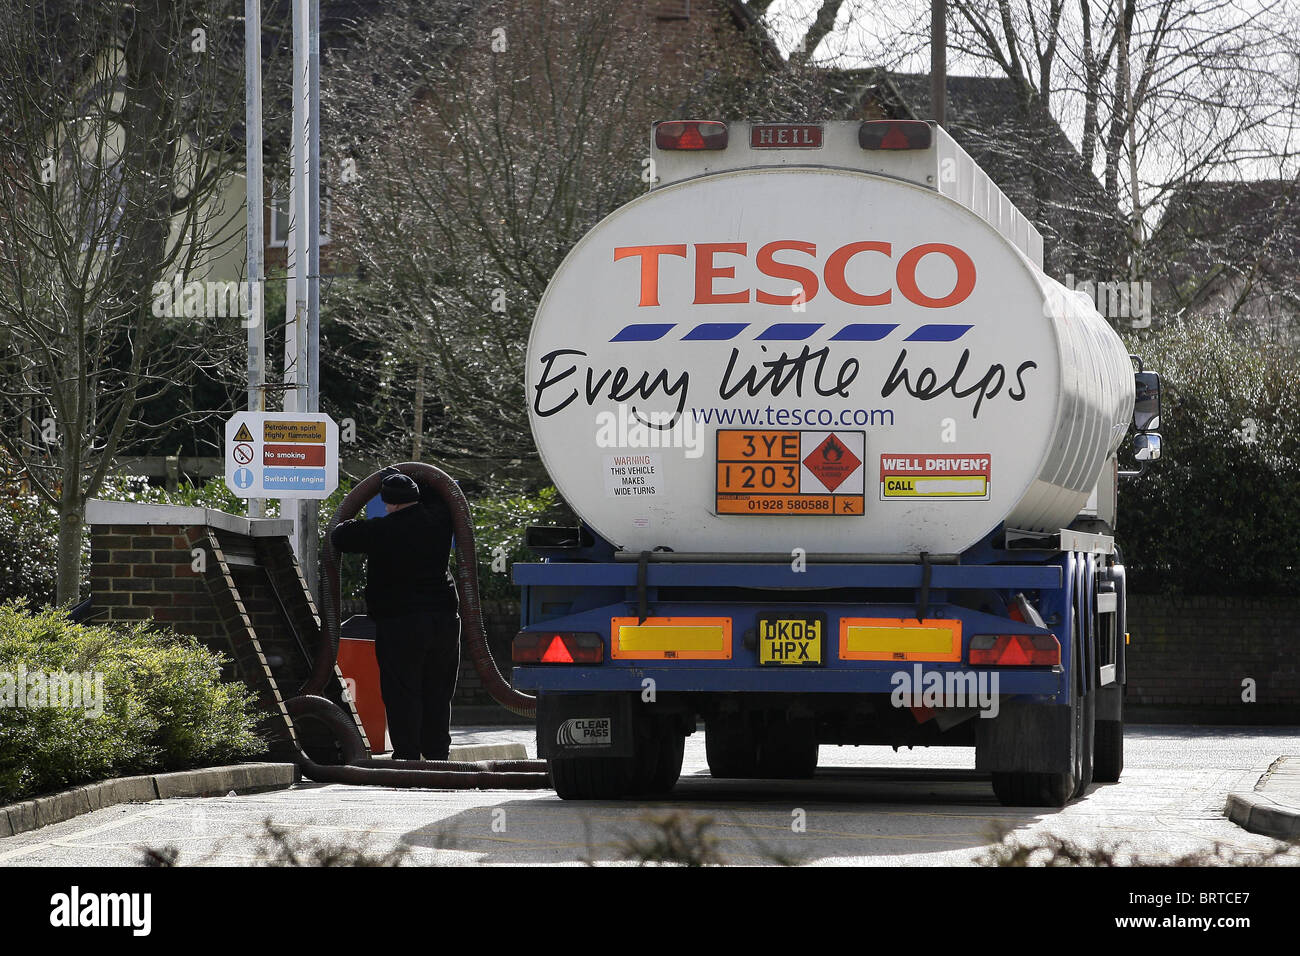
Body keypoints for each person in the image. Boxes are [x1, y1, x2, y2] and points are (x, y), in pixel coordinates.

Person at [330, 470, 460, 761]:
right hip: (444, 620)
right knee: (438, 690)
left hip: (400, 622)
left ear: (388, 502)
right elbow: (439, 494)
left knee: (402, 690)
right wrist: (416, 479)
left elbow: (340, 536)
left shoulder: (382, 530)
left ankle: (407, 755)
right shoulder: (439, 522)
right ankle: (438, 754)